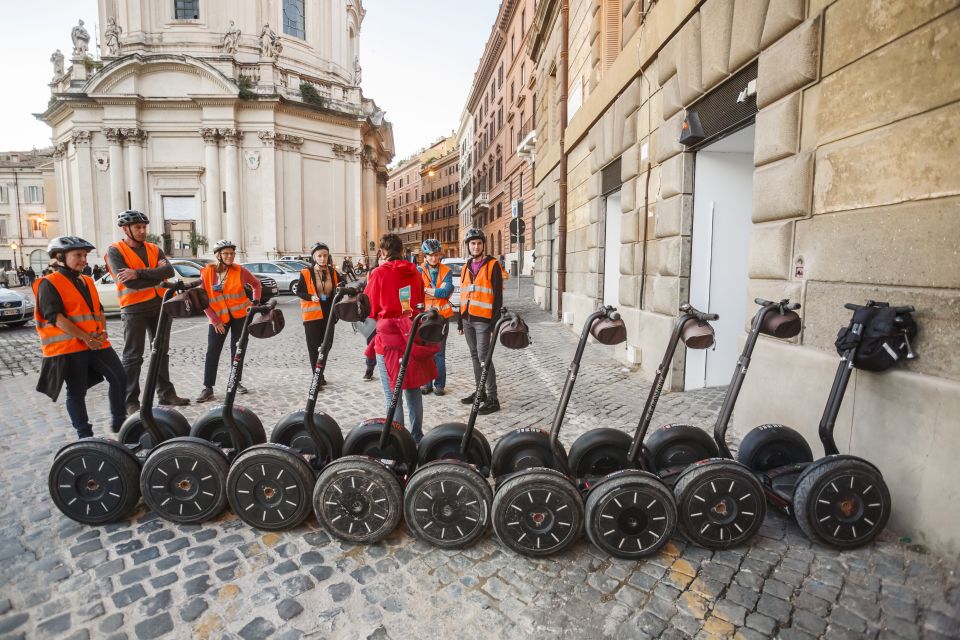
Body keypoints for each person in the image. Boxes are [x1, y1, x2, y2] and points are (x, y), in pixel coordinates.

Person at [34, 236, 127, 439]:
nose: (84, 259)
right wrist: (86, 337)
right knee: (76, 392)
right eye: (78, 255)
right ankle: (85, 435)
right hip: (70, 347)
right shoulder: (48, 283)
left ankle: (120, 422)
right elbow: (55, 318)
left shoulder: (86, 280)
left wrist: (101, 331)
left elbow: (98, 309)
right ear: (60, 257)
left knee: (119, 377)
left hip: (96, 342)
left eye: (85, 255)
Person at [106, 210, 189, 415]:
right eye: (138, 227)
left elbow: (168, 272)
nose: (143, 231)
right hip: (133, 307)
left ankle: (166, 393)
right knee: (133, 356)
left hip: (160, 304)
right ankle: (130, 400)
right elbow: (128, 281)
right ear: (126, 229)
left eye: (144, 227)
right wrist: (153, 274)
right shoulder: (115, 251)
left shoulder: (154, 248)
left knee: (161, 350)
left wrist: (139, 272)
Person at [363, 233, 437, 444]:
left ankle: (399, 440)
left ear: (384, 252)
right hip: (410, 336)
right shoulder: (414, 273)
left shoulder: (378, 274)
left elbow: (370, 309)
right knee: (413, 391)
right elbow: (419, 304)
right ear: (402, 252)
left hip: (387, 342)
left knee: (392, 397)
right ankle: (415, 436)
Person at [193, 240, 261, 402]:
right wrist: (215, 320)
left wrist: (255, 303)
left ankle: (236, 382)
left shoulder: (240, 271)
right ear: (218, 255)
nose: (230, 256)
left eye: (232, 253)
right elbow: (202, 299)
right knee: (213, 351)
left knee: (237, 349)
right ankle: (207, 388)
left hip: (240, 316)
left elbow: (256, 284)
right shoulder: (207, 272)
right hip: (218, 319)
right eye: (226, 253)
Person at [459, 227, 506, 415]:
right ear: (468, 247)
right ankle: (481, 392)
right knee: (474, 355)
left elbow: (497, 295)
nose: (476, 246)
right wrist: (460, 321)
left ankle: (493, 397)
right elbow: (464, 294)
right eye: (472, 243)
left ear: (483, 245)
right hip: (468, 318)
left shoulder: (493, 265)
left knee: (483, 357)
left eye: (479, 243)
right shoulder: (465, 266)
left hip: (483, 320)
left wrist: (495, 322)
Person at [296, 242, 340, 380]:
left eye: (325, 255)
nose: (322, 258)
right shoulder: (306, 272)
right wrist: (310, 297)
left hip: (329, 313)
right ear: (314, 257)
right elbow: (299, 291)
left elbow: (340, 287)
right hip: (312, 315)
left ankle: (320, 371)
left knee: (326, 344)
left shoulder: (332, 272)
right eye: (319, 256)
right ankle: (317, 376)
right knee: (314, 347)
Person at [417, 239, 453, 396]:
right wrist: (435, 290)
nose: (433, 258)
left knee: (439, 353)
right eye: (430, 255)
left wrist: (426, 290)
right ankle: (426, 384)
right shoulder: (418, 271)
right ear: (425, 256)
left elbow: (444, 293)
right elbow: (416, 291)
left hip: (441, 317)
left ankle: (439, 385)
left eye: (436, 255)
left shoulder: (447, 271)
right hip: (424, 318)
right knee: (425, 352)